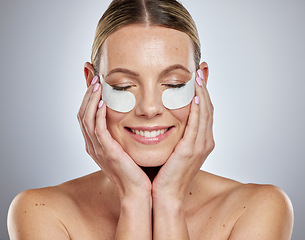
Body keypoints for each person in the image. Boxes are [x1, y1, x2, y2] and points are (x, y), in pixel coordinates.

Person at [7, 0, 293, 239]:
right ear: (92, 83)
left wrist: (169, 200)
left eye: (173, 83)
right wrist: (134, 199)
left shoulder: (258, 208)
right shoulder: (39, 211)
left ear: (200, 81)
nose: (150, 107)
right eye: (123, 85)